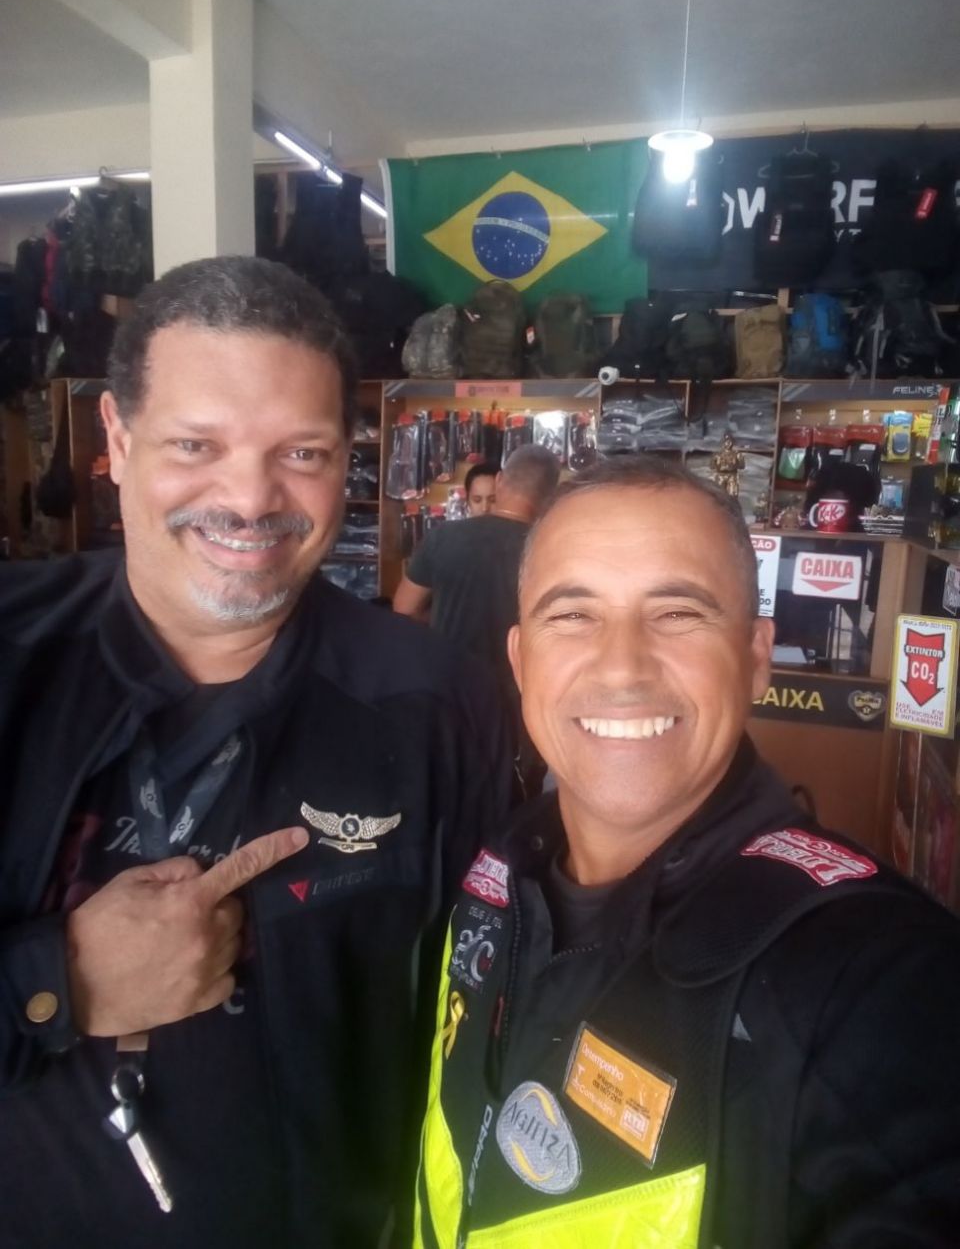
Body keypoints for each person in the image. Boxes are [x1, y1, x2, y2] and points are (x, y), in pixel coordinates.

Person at [0, 256, 511, 1249]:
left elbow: (491, 1006)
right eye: (196, 444)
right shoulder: (12, 655)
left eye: (302, 452)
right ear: (116, 439)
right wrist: (53, 984)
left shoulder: (437, 699)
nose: (248, 497)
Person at [414, 455, 960, 1249]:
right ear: (521, 661)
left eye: (677, 613)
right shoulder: (496, 874)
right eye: (573, 615)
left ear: (756, 658)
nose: (622, 667)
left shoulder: (873, 979)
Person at [394, 444, 559, 796]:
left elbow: (404, 608)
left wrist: (441, 621)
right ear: (549, 497)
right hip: (520, 710)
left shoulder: (444, 537)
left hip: (449, 696)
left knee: (446, 794)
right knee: (517, 800)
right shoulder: (551, 550)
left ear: (499, 481)